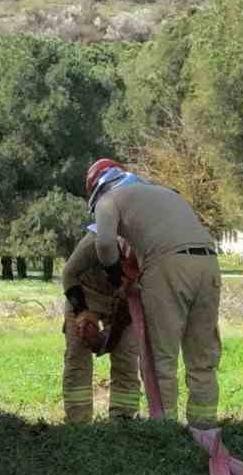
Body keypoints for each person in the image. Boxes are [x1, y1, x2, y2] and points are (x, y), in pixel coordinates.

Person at [86, 158, 222, 428]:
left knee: (162, 357)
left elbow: (104, 244)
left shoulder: (107, 201)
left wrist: (116, 275)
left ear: (99, 190)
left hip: (167, 265)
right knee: (203, 357)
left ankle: (165, 429)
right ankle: (205, 428)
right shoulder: (166, 194)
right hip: (209, 264)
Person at [60, 229, 142, 424]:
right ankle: (77, 422)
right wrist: (81, 312)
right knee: (77, 356)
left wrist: (118, 326)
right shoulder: (95, 241)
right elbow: (68, 274)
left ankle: (123, 420)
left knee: (127, 358)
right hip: (84, 293)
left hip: (124, 299)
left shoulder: (149, 244)